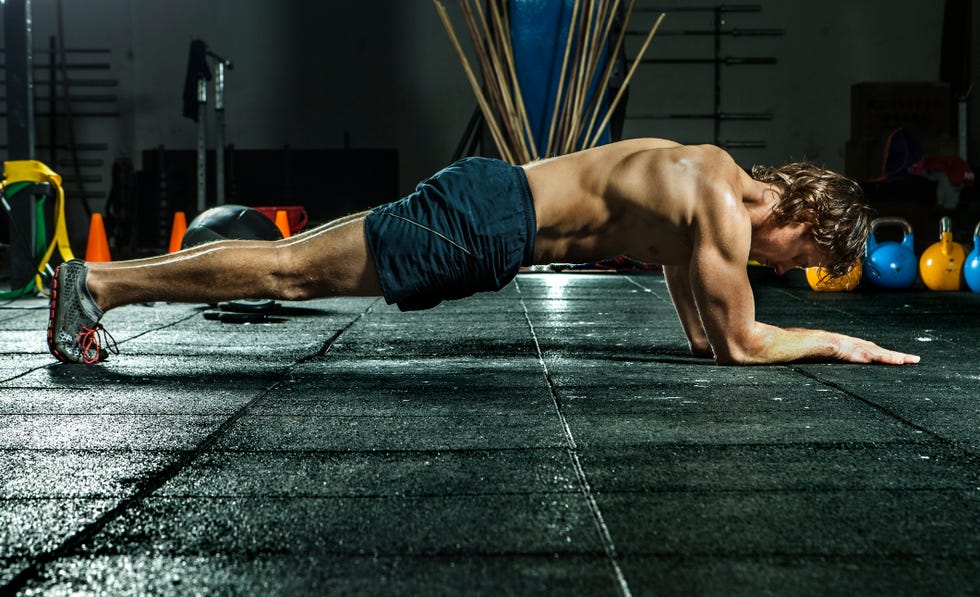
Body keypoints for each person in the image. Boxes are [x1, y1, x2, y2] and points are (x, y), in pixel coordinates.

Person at [47, 137, 919, 366]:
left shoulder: (712, 176)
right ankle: (98, 285)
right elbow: (742, 344)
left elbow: (696, 314)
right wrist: (840, 340)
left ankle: (102, 286)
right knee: (288, 272)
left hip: (487, 195)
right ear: (803, 208)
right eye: (803, 250)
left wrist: (706, 320)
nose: (787, 267)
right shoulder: (726, 212)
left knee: (297, 259)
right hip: (485, 222)